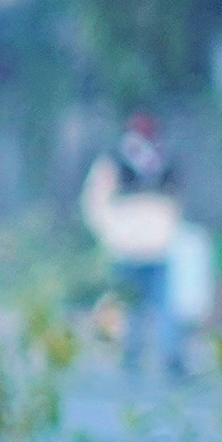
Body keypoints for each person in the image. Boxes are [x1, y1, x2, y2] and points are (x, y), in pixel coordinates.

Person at [82, 112, 184, 377]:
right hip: (126, 248)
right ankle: (132, 356)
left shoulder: (164, 158)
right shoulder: (115, 160)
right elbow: (95, 201)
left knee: (166, 307)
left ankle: (171, 357)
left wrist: (168, 229)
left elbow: (174, 200)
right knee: (130, 306)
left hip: (158, 247)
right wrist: (111, 233)